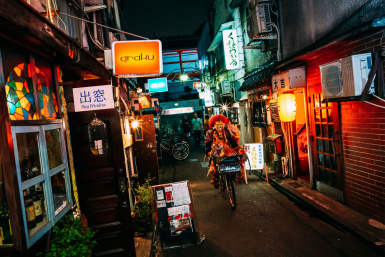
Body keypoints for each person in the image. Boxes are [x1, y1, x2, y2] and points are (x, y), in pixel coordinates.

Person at [205, 114, 246, 188]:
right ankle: (216, 178)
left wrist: (236, 147)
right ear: (214, 124)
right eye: (218, 124)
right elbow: (208, 142)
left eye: (221, 124)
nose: (220, 126)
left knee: (234, 160)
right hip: (216, 152)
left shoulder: (226, 131)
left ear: (223, 124)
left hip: (227, 150)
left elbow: (231, 140)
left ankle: (233, 177)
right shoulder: (211, 133)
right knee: (215, 167)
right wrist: (208, 151)